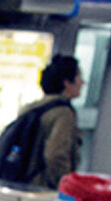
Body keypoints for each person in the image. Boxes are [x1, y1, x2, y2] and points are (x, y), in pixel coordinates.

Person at [22, 54, 82, 189]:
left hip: (22, 182)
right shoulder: (63, 113)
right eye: (79, 78)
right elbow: (55, 154)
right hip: (42, 188)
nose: (82, 83)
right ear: (67, 83)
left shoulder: (31, 108)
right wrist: (64, 186)